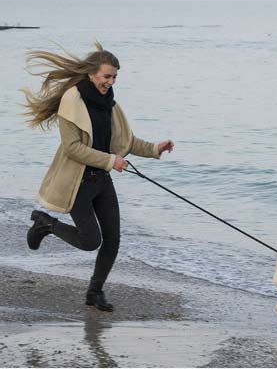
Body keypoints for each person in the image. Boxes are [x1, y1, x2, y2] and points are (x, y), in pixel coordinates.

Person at [22, 42, 174, 312]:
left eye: (114, 77)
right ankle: (45, 224)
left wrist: (154, 149)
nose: (111, 81)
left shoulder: (109, 103)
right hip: (77, 183)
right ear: (92, 73)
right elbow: (72, 148)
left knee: (113, 239)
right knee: (91, 241)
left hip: (101, 181)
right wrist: (109, 160)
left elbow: (124, 141)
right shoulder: (72, 101)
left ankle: (95, 292)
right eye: (107, 76)